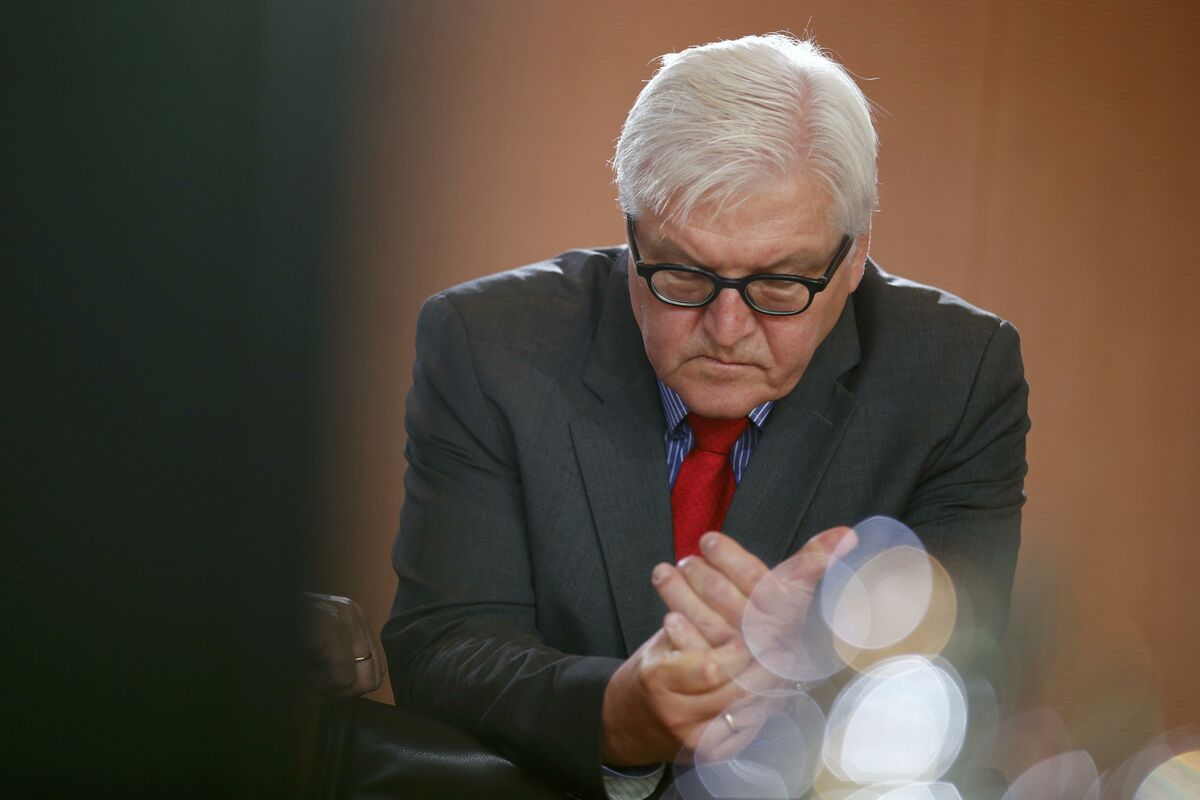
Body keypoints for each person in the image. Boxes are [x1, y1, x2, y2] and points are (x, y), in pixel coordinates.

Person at [382, 33, 1028, 800]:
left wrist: (814, 660)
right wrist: (621, 715)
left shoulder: (957, 376)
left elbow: (953, 690)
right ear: (632, 236)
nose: (726, 329)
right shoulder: (489, 344)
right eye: (684, 275)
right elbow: (444, 646)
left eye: (781, 284)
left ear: (854, 258)